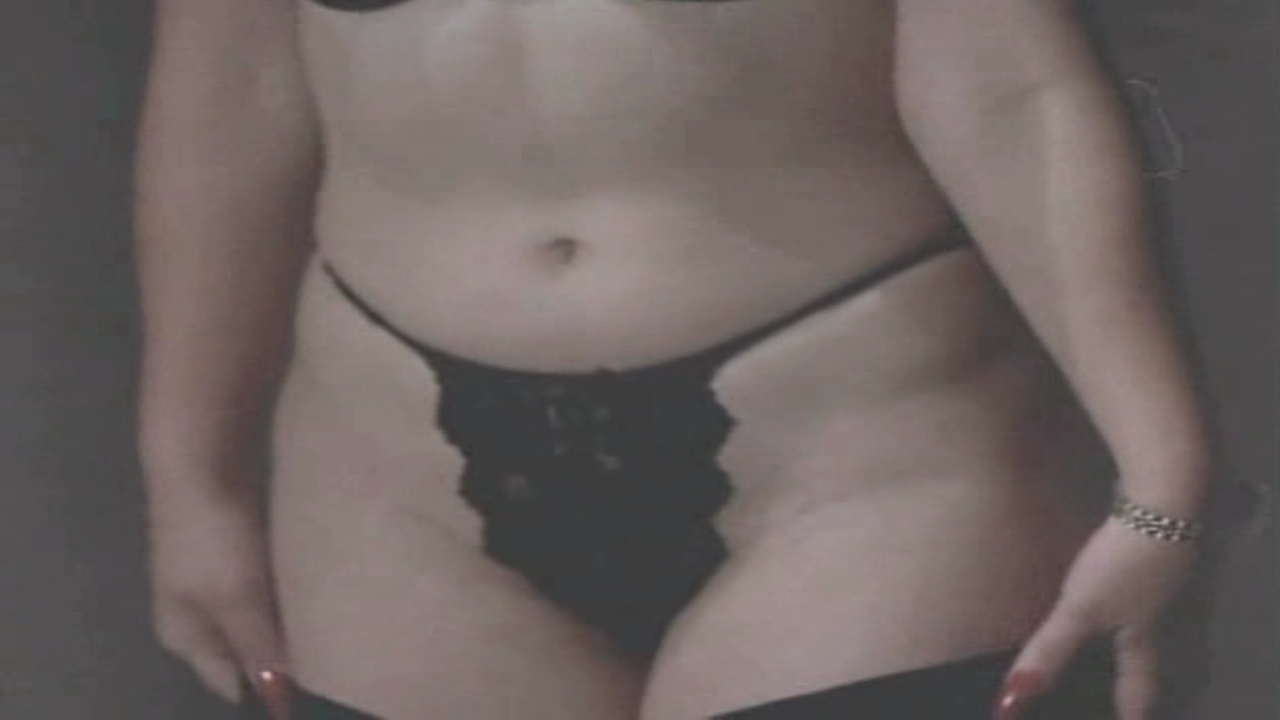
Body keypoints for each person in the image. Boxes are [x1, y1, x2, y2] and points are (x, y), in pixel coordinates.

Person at [133, 0, 1214, 718]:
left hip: (855, 442)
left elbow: (1003, 89)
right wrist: (189, 481)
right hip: (388, 465)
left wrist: (1161, 478)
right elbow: (232, 93)